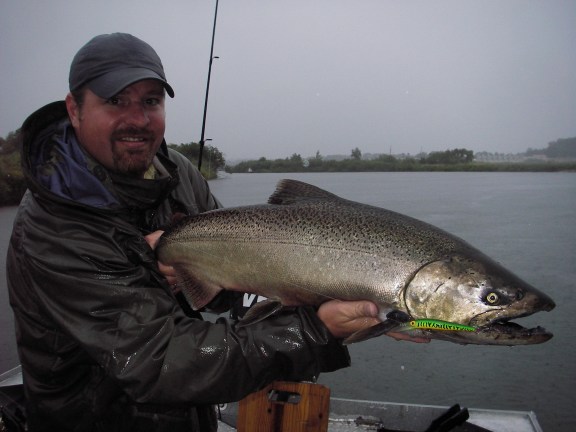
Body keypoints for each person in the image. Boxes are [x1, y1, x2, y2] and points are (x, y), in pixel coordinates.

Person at [6, 33, 426, 432]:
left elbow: (234, 286)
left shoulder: (177, 174)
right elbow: (159, 361)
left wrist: (353, 303)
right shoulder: (51, 229)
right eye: (115, 101)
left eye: (150, 101)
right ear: (74, 109)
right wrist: (315, 332)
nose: (137, 119)